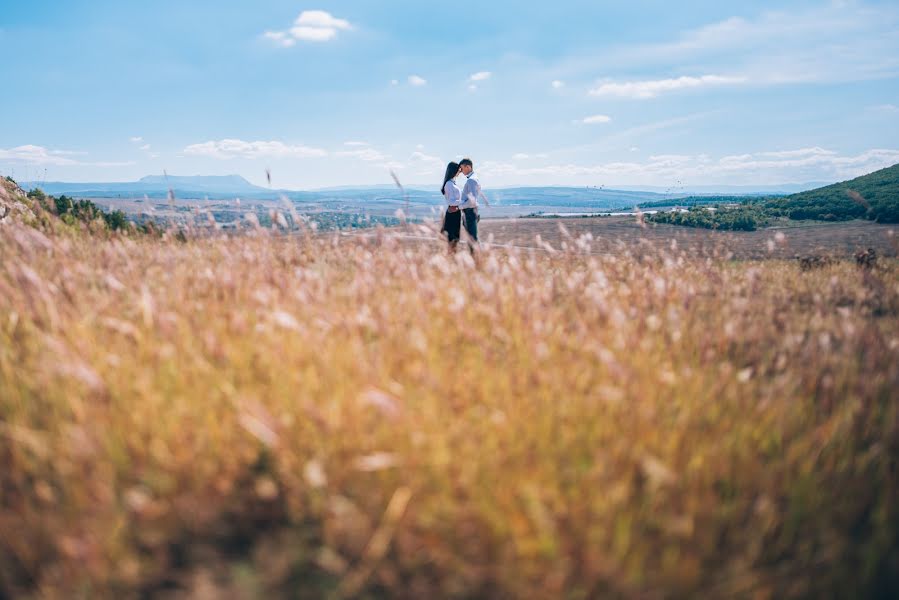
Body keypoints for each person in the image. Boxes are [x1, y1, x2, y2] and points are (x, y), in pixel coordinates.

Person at [458, 158, 480, 250]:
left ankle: (475, 259)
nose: (461, 171)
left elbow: (472, 200)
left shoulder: (471, 180)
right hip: (471, 211)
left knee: (472, 239)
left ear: (468, 167)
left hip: (470, 212)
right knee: (472, 237)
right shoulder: (474, 178)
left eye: (462, 168)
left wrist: (460, 206)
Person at [440, 161, 462, 250]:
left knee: (455, 239)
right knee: (452, 239)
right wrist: (464, 202)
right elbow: (451, 202)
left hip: (456, 212)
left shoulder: (452, 183)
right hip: (453, 212)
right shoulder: (449, 184)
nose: (459, 172)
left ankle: (452, 259)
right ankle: (451, 259)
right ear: (454, 171)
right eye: (458, 170)